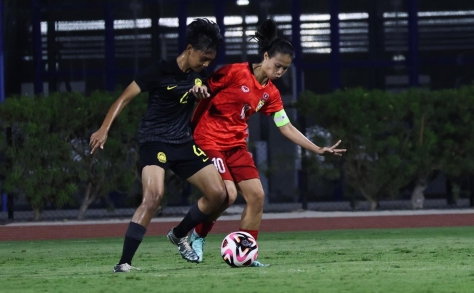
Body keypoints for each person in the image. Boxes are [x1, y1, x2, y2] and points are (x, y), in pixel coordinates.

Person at [188, 18, 345, 266]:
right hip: (209, 140)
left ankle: (247, 255)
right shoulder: (235, 72)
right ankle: (197, 237)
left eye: (285, 69)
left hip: (236, 146)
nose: (280, 72)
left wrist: (317, 148)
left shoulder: (270, 93)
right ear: (265, 56)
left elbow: (286, 126)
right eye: (277, 65)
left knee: (257, 196)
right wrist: (195, 95)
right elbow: (200, 87)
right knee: (227, 195)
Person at [89, 18, 228, 273]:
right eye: (204, 58)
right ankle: (124, 263)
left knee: (220, 194)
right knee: (153, 197)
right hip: (154, 140)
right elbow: (124, 98)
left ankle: (178, 234)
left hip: (183, 142)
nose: (206, 64)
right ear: (189, 49)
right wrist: (104, 129)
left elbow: (200, 90)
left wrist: (201, 92)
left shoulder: (200, 77)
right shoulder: (159, 70)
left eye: (210, 60)